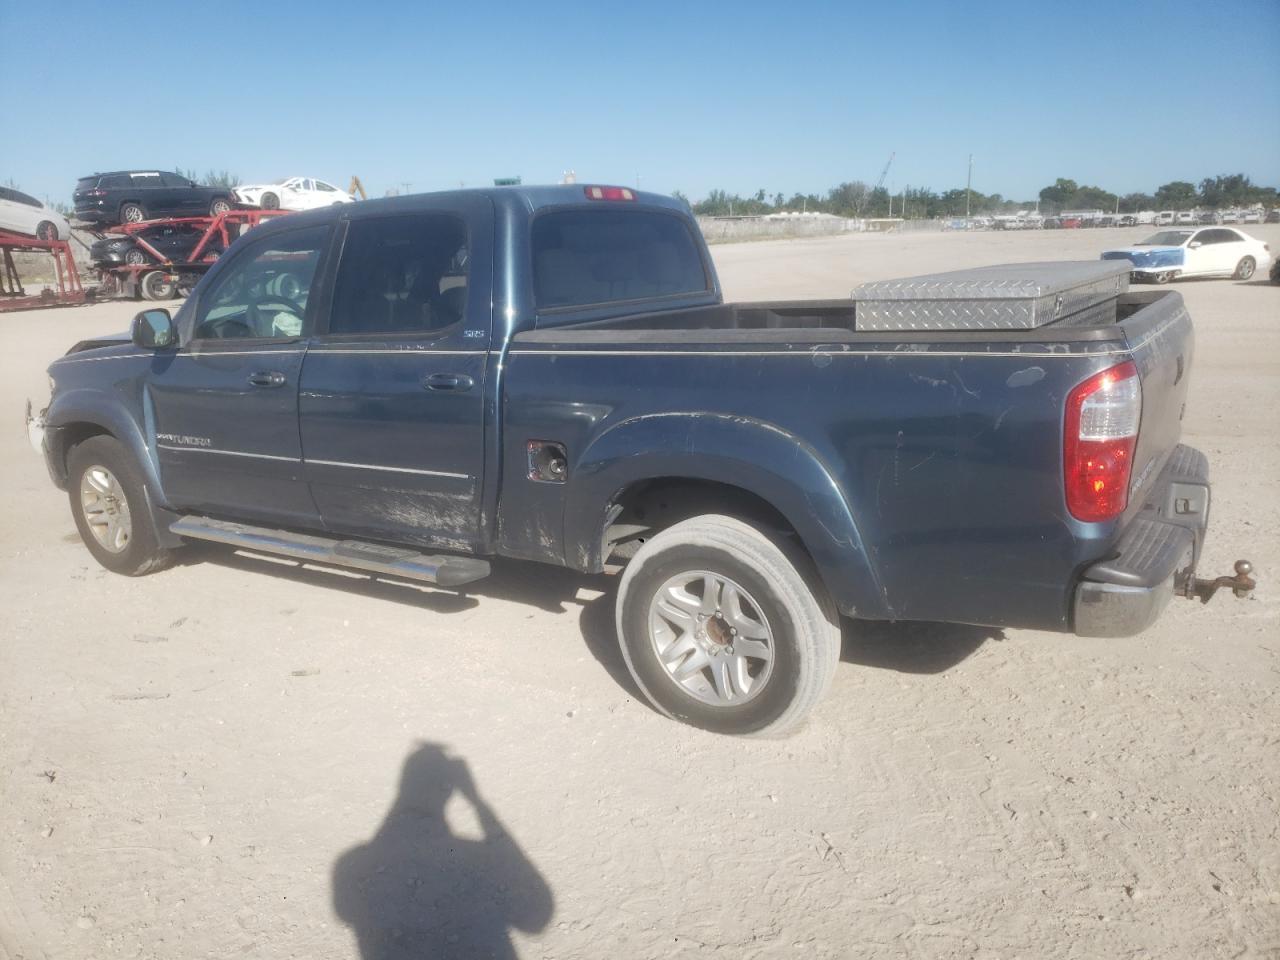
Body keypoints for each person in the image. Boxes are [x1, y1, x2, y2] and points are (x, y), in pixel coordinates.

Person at [333, 742, 553, 959]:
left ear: (403, 785)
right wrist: (477, 802)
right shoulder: (476, 860)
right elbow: (536, 916)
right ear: (449, 791)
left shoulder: (353, 866)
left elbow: (346, 912)